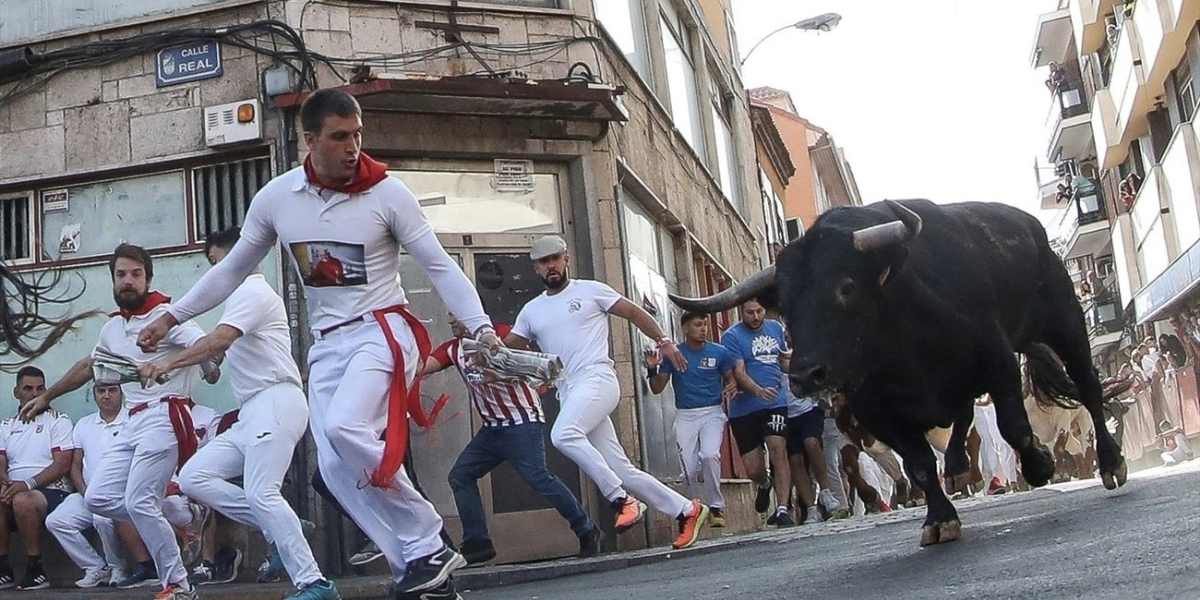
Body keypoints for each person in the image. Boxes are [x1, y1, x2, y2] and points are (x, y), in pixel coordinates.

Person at [136, 88, 501, 600]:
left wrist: (480, 326)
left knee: (346, 426)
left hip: (384, 328)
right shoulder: (277, 199)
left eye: (358, 134)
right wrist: (172, 314)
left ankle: (429, 543)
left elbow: (439, 263)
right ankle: (417, 575)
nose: (353, 147)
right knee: (333, 468)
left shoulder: (388, 194)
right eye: (339, 137)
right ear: (310, 141)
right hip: (329, 345)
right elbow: (233, 269)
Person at [139, 227, 338, 600]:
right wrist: (198, 365)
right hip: (252, 413)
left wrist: (167, 362)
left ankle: (314, 584)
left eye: (217, 264)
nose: (214, 274)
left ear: (237, 260)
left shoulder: (252, 292)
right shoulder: (239, 300)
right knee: (195, 477)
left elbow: (218, 340)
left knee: (263, 492)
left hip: (276, 402)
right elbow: (215, 355)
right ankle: (284, 526)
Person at [21, 243, 218, 600]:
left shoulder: (166, 315)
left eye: (136, 274)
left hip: (165, 415)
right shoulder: (113, 328)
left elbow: (207, 347)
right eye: (121, 274)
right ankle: (180, 525)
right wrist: (47, 396)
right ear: (112, 279)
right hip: (133, 421)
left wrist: (178, 364)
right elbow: (87, 367)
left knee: (140, 501)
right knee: (98, 498)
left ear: (148, 278)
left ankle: (179, 586)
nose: (128, 281)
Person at [504, 235, 708, 550]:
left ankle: (621, 500)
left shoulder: (590, 290)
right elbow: (511, 349)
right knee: (620, 467)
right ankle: (686, 509)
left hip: (598, 379)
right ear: (536, 268)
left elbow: (635, 313)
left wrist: (664, 341)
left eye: (555, 258)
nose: (551, 266)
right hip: (569, 390)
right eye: (544, 262)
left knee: (563, 435)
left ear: (566, 257)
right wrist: (485, 350)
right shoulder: (531, 311)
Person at [422, 314, 601, 564]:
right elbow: (424, 366)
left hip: (522, 422)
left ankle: (585, 529)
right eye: (449, 318)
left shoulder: (504, 334)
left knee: (538, 477)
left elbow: (538, 370)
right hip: (492, 429)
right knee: (460, 476)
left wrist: (500, 374)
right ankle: (478, 543)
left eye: (457, 317)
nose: (452, 323)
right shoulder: (453, 348)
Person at [644, 311, 736, 527]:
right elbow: (657, 388)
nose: (703, 328)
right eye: (697, 325)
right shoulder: (674, 354)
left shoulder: (719, 352)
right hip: (685, 415)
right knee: (689, 466)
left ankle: (716, 507)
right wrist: (651, 368)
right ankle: (694, 509)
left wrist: (732, 385)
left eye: (705, 324)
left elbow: (731, 379)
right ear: (685, 328)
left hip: (712, 412)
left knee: (710, 455)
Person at [45, 382, 128, 588]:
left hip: (121, 494)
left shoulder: (133, 420)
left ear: (121, 393)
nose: (106, 396)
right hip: (88, 492)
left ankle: (119, 567)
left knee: (102, 518)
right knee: (56, 520)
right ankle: (96, 568)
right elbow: (75, 465)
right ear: (94, 394)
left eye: (112, 390)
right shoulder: (84, 424)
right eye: (101, 391)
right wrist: (86, 492)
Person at [720, 299, 794, 526]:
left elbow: (783, 362)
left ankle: (782, 508)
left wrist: (796, 365)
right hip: (745, 409)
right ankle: (764, 483)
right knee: (753, 469)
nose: (755, 316)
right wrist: (757, 390)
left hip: (775, 403)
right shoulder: (732, 336)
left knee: (777, 449)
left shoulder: (775, 329)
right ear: (741, 312)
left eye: (759, 311)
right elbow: (739, 371)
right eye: (750, 312)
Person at [0, 366, 74, 590]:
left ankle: (35, 567)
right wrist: (4, 481)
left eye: (40, 389)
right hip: (15, 488)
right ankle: (4, 568)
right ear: (16, 392)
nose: (35, 393)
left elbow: (62, 464)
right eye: (28, 388)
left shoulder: (58, 420)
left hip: (52, 492)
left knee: (24, 499)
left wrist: (27, 484)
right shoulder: (5, 425)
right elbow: (1, 461)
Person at [785, 390, 848, 523]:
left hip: (810, 407)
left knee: (811, 442)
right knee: (795, 460)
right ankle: (811, 509)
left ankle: (826, 491)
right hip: (785, 410)